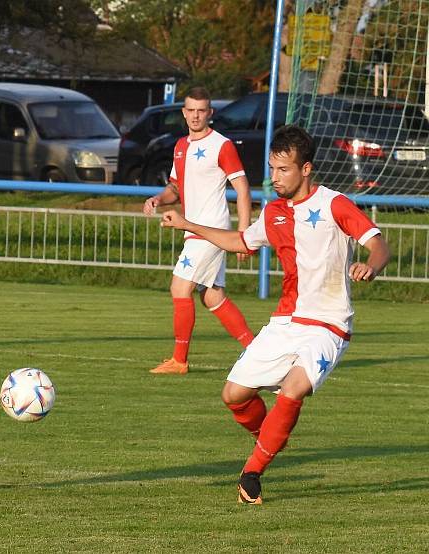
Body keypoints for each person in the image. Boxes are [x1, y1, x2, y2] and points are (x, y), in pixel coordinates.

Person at [158, 125, 390, 504]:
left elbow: (378, 244)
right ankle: (269, 437)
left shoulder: (334, 204)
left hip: (329, 325)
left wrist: (371, 266)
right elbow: (238, 242)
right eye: (272, 168)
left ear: (306, 169)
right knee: (233, 395)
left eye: (284, 170)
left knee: (295, 387)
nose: (275, 177)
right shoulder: (274, 213)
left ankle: (252, 473)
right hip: (286, 321)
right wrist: (186, 224)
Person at [143, 86, 254, 375]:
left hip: (211, 230)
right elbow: (175, 188)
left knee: (179, 287)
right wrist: (158, 199)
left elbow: (242, 188)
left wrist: (243, 234)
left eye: (201, 110)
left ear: (210, 113)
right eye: (190, 110)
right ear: (184, 112)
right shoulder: (181, 146)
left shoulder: (222, 145)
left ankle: (179, 360)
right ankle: (256, 352)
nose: (195, 115)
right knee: (212, 297)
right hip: (192, 230)